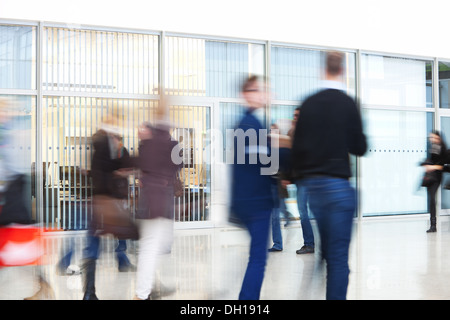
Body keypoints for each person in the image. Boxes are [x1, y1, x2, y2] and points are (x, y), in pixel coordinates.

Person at [289, 51, 367, 300]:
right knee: (339, 259)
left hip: (315, 189)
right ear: (342, 70)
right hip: (339, 187)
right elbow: (360, 147)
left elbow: (297, 149)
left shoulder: (309, 103)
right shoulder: (348, 103)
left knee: (327, 250)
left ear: (322, 70)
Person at [81, 121, 137, 300]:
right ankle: (90, 291)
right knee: (115, 236)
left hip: (102, 201)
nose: (117, 141)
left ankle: (89, 292)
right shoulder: (110, 151)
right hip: (110, 201)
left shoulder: (100, 151)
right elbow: (120, 170)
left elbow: (101, 173)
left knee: (95, 245)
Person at [230, 75, 274, 300]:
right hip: (256, 202)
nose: (264, 93)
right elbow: (266, 163)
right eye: (258, 90)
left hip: (248, 200)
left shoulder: (246, 123)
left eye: (265, 89)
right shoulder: (250, 125)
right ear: (245, 95)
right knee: (258, 259)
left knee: (256, 257)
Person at [129, 121, 180, 300]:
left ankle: (147, 289)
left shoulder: (157, 147)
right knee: (151, 247)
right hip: (154, 203)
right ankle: (144, 291)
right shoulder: (153, 147)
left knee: (152, 247)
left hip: (156, 202)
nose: (139, 132)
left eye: (142, 129)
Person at [287, 107, 315, 254]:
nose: (295, 118)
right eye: (294, 115)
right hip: (300, 178)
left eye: (298, 115)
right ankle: (309, 243)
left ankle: (310, 244)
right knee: (303, 211)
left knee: (306, 211)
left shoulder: (311, 133)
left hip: (309, 178)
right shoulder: (293, 132)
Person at [420, 131, 448, 233]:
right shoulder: (432, 147)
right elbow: (430, 160)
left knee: (432, 198)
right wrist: (426, 164)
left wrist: (432, 167)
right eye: (431, 138)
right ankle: (433, 225)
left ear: (439, 138)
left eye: (434, 138)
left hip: (437, 177)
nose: (432, 140)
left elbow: (443, 166)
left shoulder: (444, 150)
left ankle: (433, 225)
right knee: (431, 200)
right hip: (430, 177)